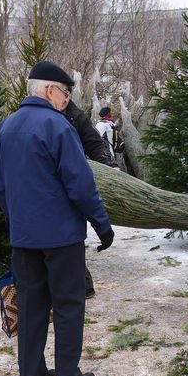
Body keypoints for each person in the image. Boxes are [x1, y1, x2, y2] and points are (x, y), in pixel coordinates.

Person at [0, 60, 115, 376]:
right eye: (64, 95)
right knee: (68, 303)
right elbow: (80, 184)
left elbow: (1, 187)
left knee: (31, 304)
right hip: (61, 237)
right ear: (49, 90)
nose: (66, 102)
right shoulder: (58, 127)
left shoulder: (7, 128)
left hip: (24, 238)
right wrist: (101, 224)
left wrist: (16, 222)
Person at [64, 100, 117, 300]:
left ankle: (83, 286)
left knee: (68, 240)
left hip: (70, 185)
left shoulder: (75, 116)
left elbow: (94, 144)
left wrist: (107, 172)